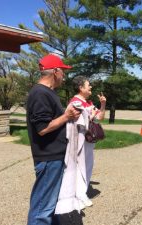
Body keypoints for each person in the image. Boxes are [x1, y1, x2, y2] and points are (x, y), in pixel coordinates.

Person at [26, 54, 81, 225]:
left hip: (55, 156)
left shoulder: (48, 93)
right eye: (63, 71)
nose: (64, 76)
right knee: (43, 208)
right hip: (48, 158)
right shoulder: (40, 93)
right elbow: (42, 129)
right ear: (55, 71)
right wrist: (66, 116)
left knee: (53, 205)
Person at [55, 76, 106, 214]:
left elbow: (99, 117)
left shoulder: (88, 102)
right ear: (80, 87)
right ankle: (79, 194)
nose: (90, 88)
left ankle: (82, 192)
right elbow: (77, 119)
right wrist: (90, 114)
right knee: (79, 166)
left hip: (88, 140)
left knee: (88, 165)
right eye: (88, 85)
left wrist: (102, 105)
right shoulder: (75, 102)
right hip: (78, 140)